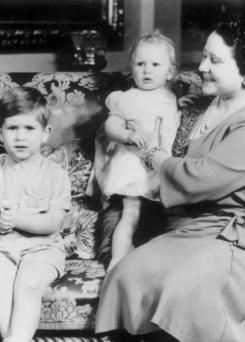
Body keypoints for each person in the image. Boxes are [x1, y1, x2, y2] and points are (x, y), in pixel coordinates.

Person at [95, 18, 245, 342]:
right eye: (204, 57)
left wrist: (154, 156)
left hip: (229, 238)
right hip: (186, 229)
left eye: (215, 61)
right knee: (127, 275)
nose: (203, 68)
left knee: (179, 289)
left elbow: (198, 178)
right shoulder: (200, 106)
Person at [0, 87, 71, 342]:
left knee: (27, 285)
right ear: (0, 133)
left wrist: (18, 219)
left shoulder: (55, 175)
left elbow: (54, 222)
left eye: (29, 128)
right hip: (1, 247)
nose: (20, 136)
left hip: (43, 248)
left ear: (45, 133)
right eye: (12, 128)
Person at [92, 31, 180, 271]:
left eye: (155, 64)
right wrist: (127, 135)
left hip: (158, 164)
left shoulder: (171, 97)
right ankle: (118, 258)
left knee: (160, 213)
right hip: (132, 163)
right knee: (131, 212)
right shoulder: (127, 98)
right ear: (132, 68)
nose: (147, 70)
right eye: (140, 64)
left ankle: (148, 256)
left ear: (169, 72)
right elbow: (111, 125)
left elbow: (171, 125)